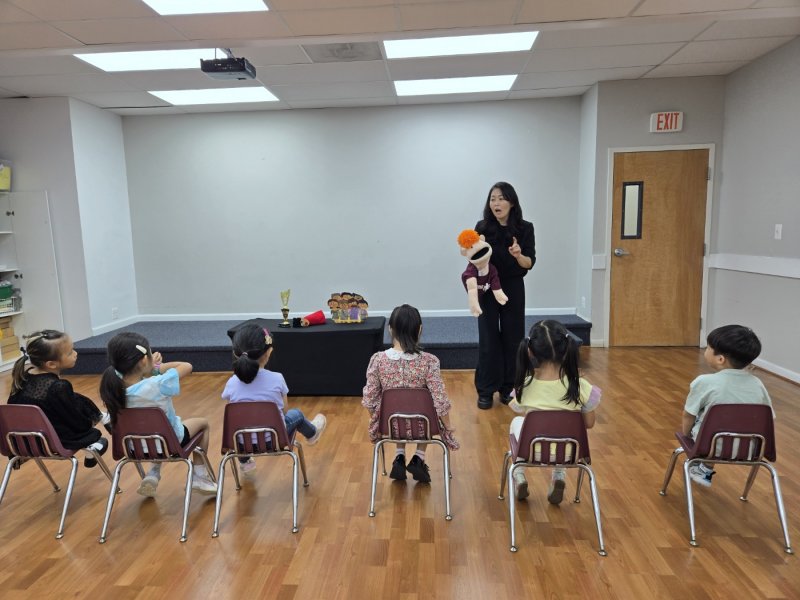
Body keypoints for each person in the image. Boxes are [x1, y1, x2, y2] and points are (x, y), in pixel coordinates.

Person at [99, 332, 217, 496]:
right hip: (170, 443)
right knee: (202, 424)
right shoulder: (158, 383)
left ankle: (153, 473)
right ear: (143, 360)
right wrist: (156, 368)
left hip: (133, 447)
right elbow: (187, 366)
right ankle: (199, 476)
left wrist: (147, 368)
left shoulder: (112, 387)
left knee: (150, 431)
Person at [362, 304, 459, 483]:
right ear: (419, 329)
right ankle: (418, 458)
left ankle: (399, 456)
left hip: (390, 425)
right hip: (423, 426)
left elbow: (369, 400)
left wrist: (377, 420)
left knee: (397, 410)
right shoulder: (429, 362)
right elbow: (440, 400)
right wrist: (448, 426)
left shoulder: (378, 360)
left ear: (390, 329)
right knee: (425, 410)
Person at [506, 320, 600, 504]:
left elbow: (516, 408)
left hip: (532, 451)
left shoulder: (526, 386)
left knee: (517, 422)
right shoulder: (580, 386)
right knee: (563, 431)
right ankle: (559, 475)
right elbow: (589, 424)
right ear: (566, 349)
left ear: (530, 351)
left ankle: (519, 475)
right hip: (571, 453)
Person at [222, 324, 326, 473]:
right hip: (274, 439)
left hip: (242, 444)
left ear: (236, 353)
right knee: (296, 414)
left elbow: (232, 415)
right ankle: (312, 433)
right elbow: (284, 412)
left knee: (240, 430)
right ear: (269, 351)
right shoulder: (277, 379)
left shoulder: (231, 383)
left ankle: (245, 462)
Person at [681, 324, 772, 488]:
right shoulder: (758, 384)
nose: (706, 350)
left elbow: (688, 415)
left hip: (709, 446)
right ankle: (704, 468)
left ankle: (704, 467)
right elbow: (768, 419)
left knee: (706, 420)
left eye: (708, 347)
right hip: (751, 450)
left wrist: (687, 439)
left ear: (720, 359)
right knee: (732, 420)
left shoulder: (704, 382)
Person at [474, 181, 536, 410]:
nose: (496, 203)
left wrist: (518, 255)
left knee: (513, 338)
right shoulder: (482, 227)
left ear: (512, 202)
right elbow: (473, 259)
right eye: (493, 199)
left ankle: (509, 388)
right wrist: (474, 250)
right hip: (487, 287)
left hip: (512, 287)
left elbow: (529, 263)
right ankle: (486, 390)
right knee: (488, 338)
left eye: (501, 198)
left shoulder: (525, 228)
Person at [8, 329, 108, 468]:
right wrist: (89, 422)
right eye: (70, 352)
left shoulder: (22, 378)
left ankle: (103, 417)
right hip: (52, 442)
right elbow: (77, 423)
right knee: (97, 437)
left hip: (22, 443)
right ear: (51, 364)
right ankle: (98, 431)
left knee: (73, 398)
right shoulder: (58, 387)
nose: (76, 353)